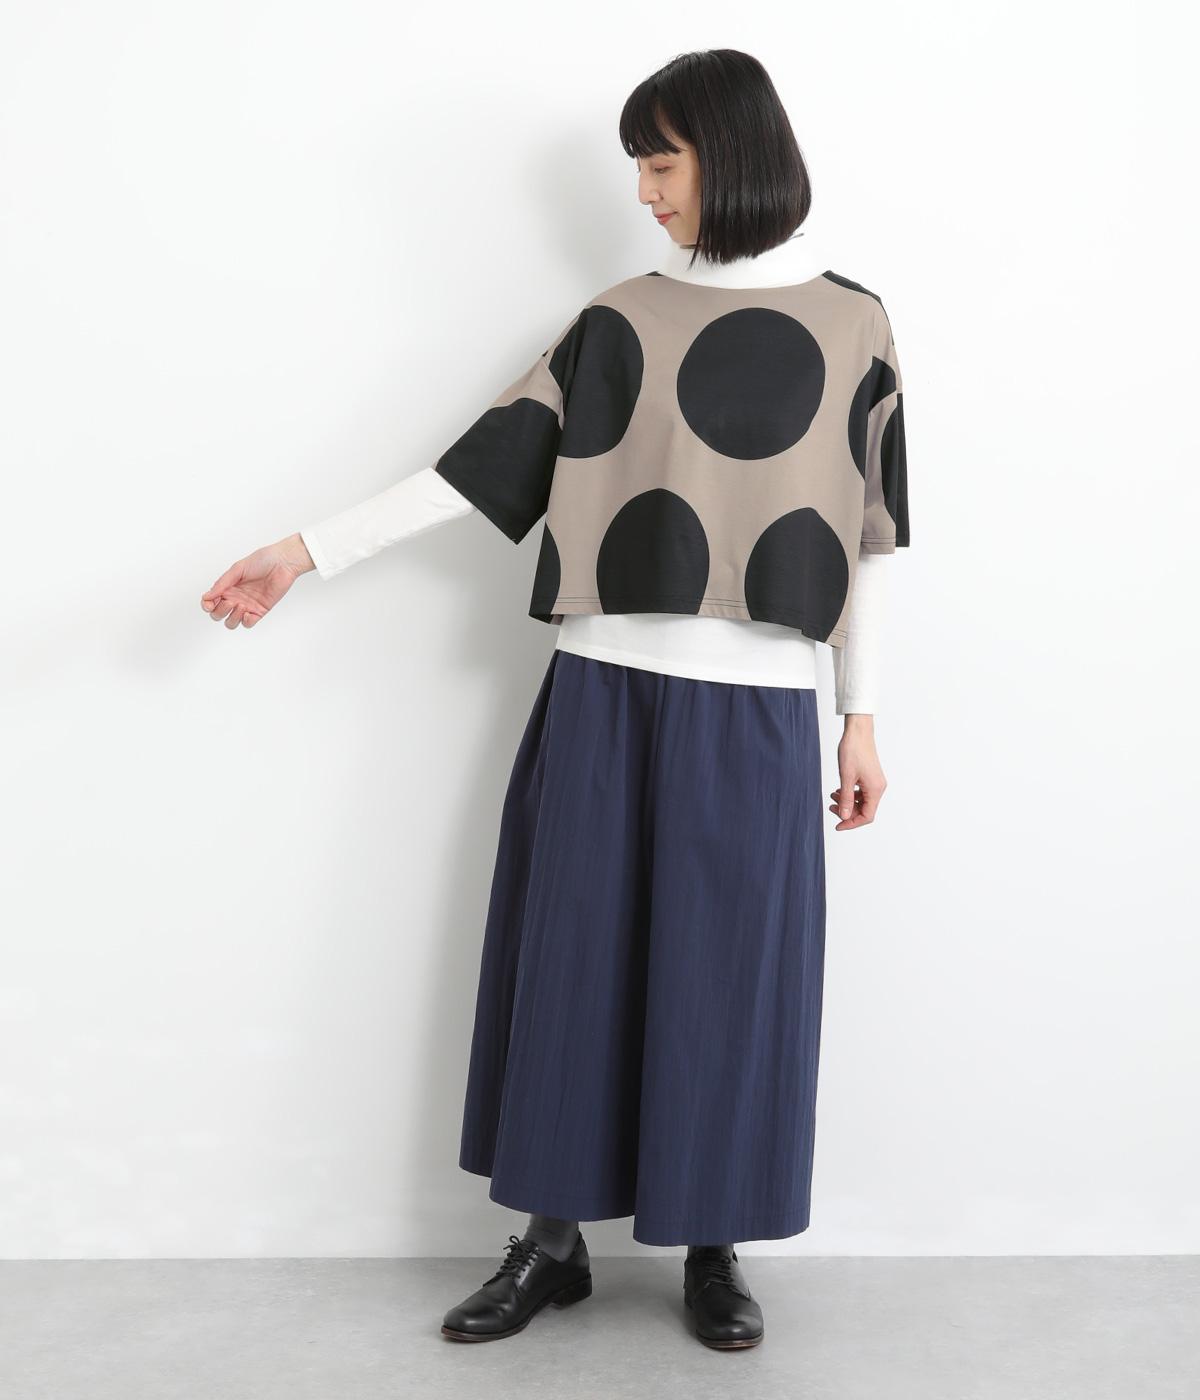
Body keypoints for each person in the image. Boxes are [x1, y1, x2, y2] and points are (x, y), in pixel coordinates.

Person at [200, 48, 909, 1352]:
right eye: (637, 166)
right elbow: (481, 469)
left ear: (731, 153)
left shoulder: (853, 324)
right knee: (572, 962)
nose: (645, 192)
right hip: (600, 690)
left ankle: (712, 1246)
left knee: (729, 980)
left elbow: (865, 541)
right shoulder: (618, 319)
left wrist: (859, 714)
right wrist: (305, 552)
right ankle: (550, 1242)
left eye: (661, 162)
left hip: (759, 706)